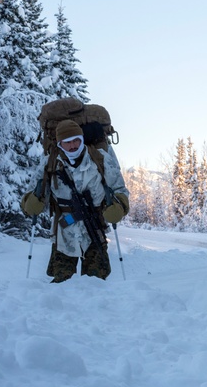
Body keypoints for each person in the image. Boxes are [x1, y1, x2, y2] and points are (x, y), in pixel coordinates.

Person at [20, 119, 130, 283]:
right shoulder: (49, 163)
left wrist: (119, 207)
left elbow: (120, 189)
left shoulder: (100, 159)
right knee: (61, 282)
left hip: (95, 227)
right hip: (64, 230)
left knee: (96, 283)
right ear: (59, 144)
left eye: (76, 141)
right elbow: (33, 193)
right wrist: (32, 203)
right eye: (67, 142)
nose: (72, 146)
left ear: (82, 139)